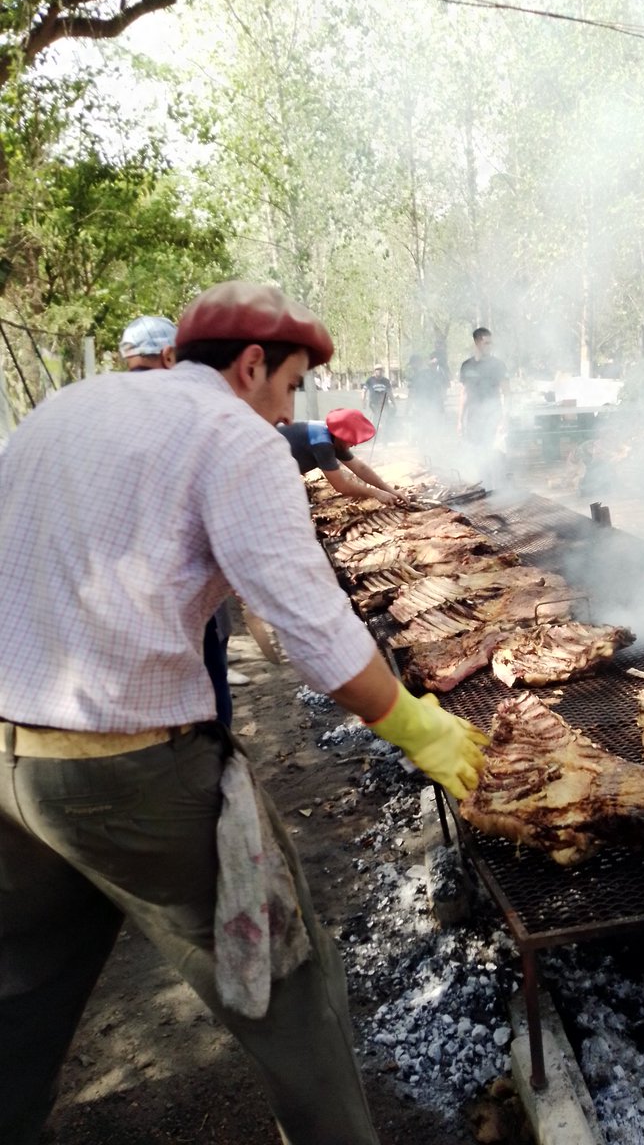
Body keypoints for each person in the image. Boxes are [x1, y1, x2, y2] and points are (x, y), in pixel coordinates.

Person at [0, 279, 486, 1145]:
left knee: (19, 997)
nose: (290, 407)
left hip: (10, 765)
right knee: (286, 990)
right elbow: (311, 623)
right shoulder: (233, 433)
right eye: (294, 385)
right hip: (132, 773)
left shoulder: (66, 409)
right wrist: (417, 725)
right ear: (254, 364)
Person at [118, 314, 240, 724]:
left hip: (140, 589)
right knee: (206, 678)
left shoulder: (106, 411)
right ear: (170, 357)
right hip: (168, 585)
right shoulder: (189, 416)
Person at [278, 408, 404, 505]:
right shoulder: (322, 443)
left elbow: (361, 468)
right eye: (351, 440)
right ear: (341, 436)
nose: (354, 444)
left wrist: (389, 490)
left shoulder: (333, 437)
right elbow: (341, 486)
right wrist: (375, 493)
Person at [457, 326, 509, 449]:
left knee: (493, 456)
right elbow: (464, 393)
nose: (489, 347)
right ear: (477, 343)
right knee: (474, 454)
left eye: (491, 343)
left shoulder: (498, 365)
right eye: (486, 343)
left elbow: (507, 394)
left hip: (493, 418)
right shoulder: (466, 366)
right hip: (473, 419)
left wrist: (504, 419)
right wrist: (459, 421)